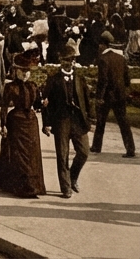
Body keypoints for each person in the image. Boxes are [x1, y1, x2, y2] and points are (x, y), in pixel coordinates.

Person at [0, 53, 46, 198]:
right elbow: (4, 107)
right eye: (23, 71)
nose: (25, 74)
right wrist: (3, 125)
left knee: (32, 155)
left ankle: (34, 185)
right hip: (16, 122)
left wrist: (43, 103)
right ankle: (22, 187)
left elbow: (38, 105)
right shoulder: (10, 87)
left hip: (31, 123)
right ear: (16, 71)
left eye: (28, 71)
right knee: (19, 155)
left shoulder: (33, 86)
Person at [41, 44, 91, 198]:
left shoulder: (79, 79)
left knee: (84, 152)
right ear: (60, 60)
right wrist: (46, 123)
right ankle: (65, 187)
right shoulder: (53, 79)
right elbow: (45, 103)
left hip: (78, 121)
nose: (68, 62)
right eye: (65, 60)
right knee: (62, 155)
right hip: (61, 121)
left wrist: (90, 118)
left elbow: (86, 100)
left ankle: (72, 177)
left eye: (71, 60)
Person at [92, 32, 135, 156]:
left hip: (107, 96)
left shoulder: (103, 59)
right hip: (120, 95)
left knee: (101, 122)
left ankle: (96, 146)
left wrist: (99, 97)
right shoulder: (121, 58)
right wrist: (124, 89)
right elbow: (127, 78)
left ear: (103, 45)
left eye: (100, 44)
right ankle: (130, 149)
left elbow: (103, 80)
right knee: (123, 122)